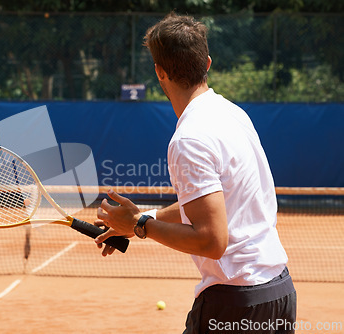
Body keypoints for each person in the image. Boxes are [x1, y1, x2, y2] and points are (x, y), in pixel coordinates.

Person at [94, 13, 296, 334]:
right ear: (208, 63)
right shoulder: (233, 113)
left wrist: (140, 225)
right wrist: (142, 219)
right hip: (278, 294)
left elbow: (211, 241)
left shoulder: (188, 139)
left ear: (160, 73)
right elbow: (218, 202)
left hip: (234, 304)